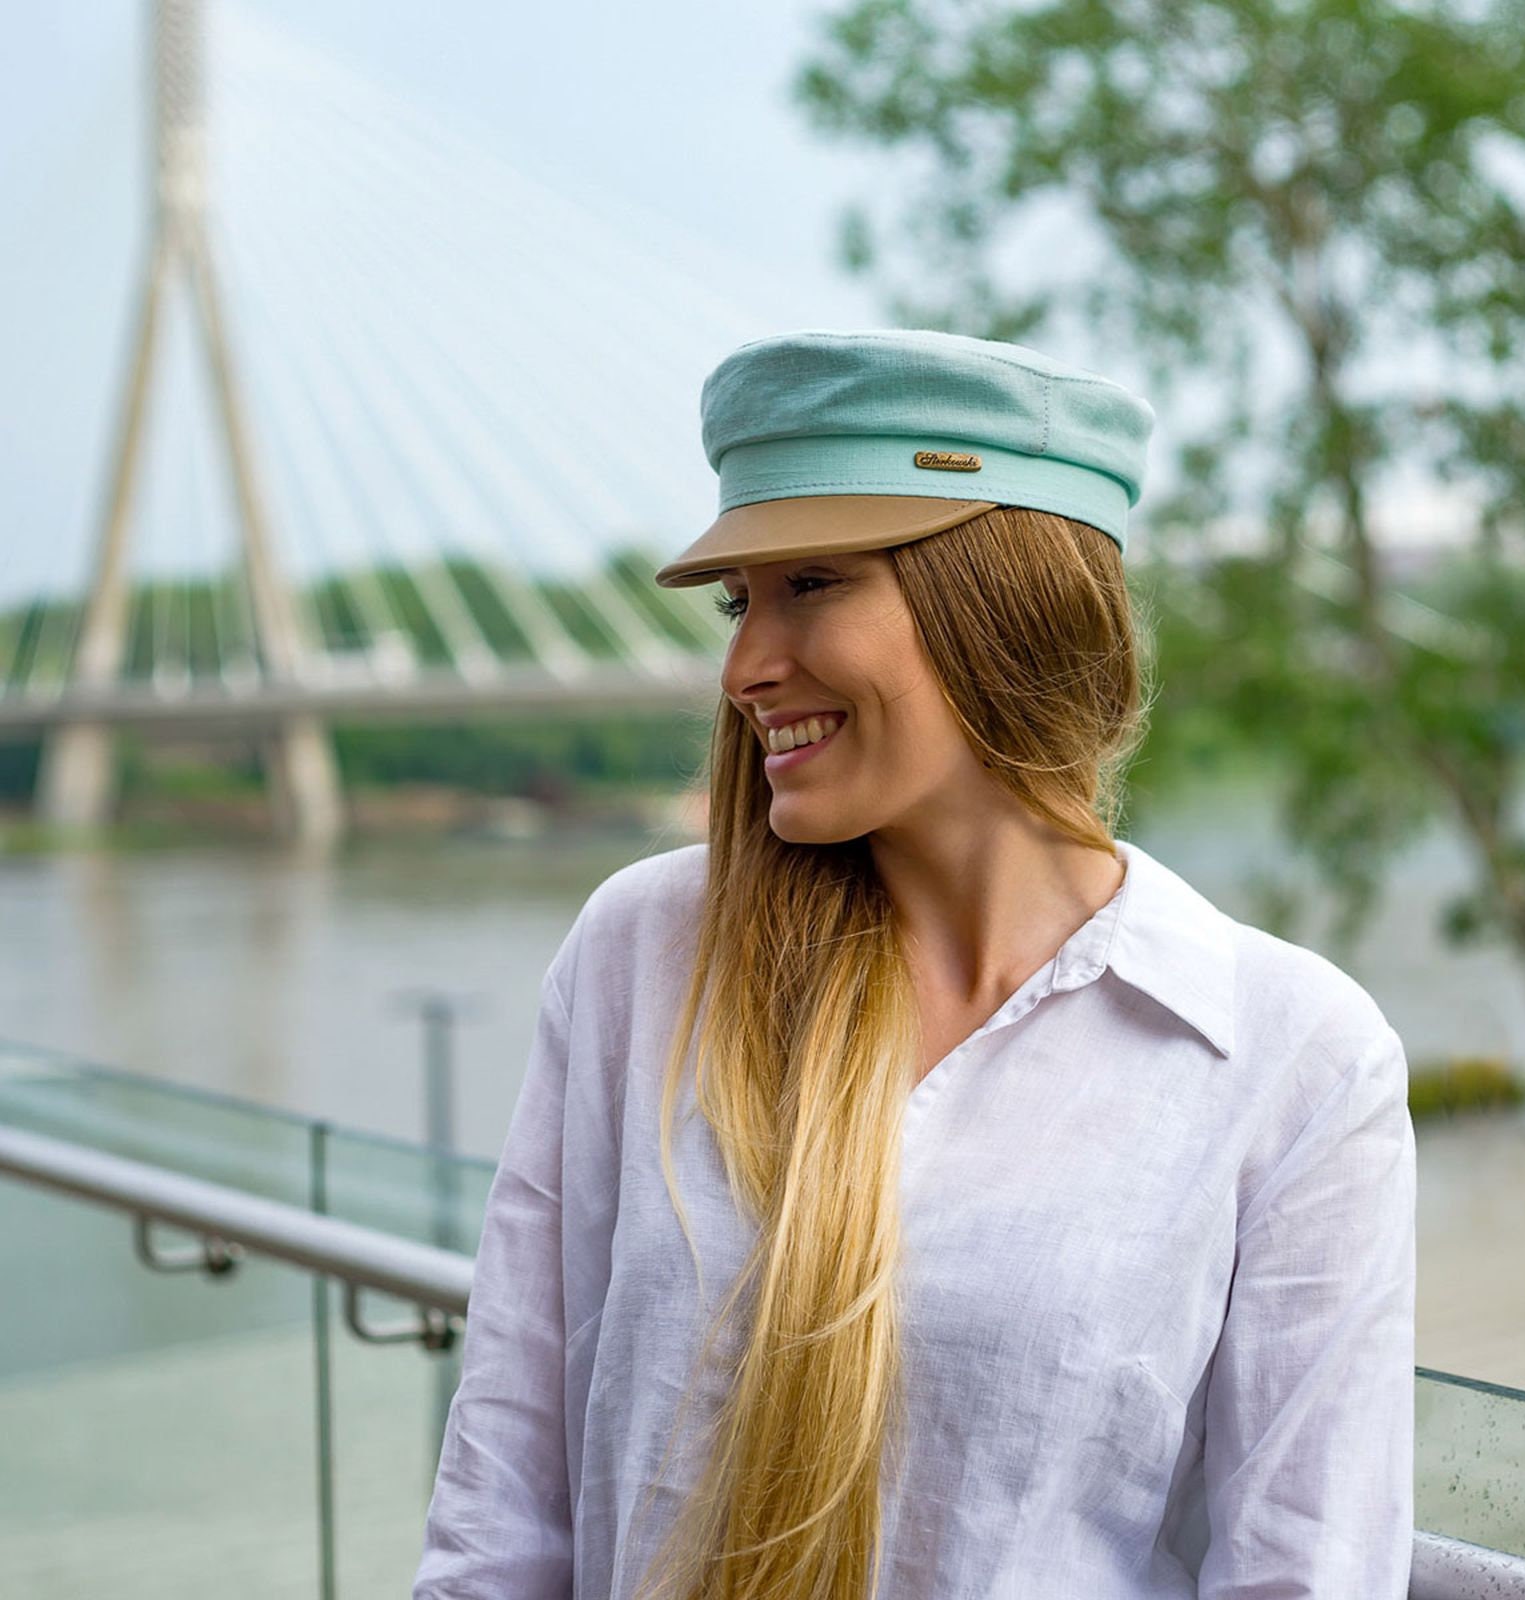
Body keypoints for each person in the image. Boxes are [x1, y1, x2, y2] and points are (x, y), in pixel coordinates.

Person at [412, 328, 1417, 1600]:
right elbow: (502, 1515)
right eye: (738, 602)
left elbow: (1305, 1571)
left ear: (1001, 602)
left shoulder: (1290, 1057)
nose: (743, 668)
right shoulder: (642, 951)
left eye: (811, 584)